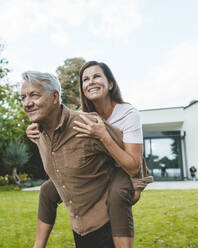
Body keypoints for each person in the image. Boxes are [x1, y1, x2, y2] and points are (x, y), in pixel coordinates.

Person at [27, 61, 152, 248]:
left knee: (117, 196)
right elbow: (58, 123)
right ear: (82, 88)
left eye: (96, 76)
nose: (90, 82)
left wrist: (103, 136)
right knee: (46, 190)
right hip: (100, 166)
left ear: (110, 84)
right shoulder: (83, 115)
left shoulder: (128, 114)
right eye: (85, 79)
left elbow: (134, 164)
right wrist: (37, 127)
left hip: (123, 169)